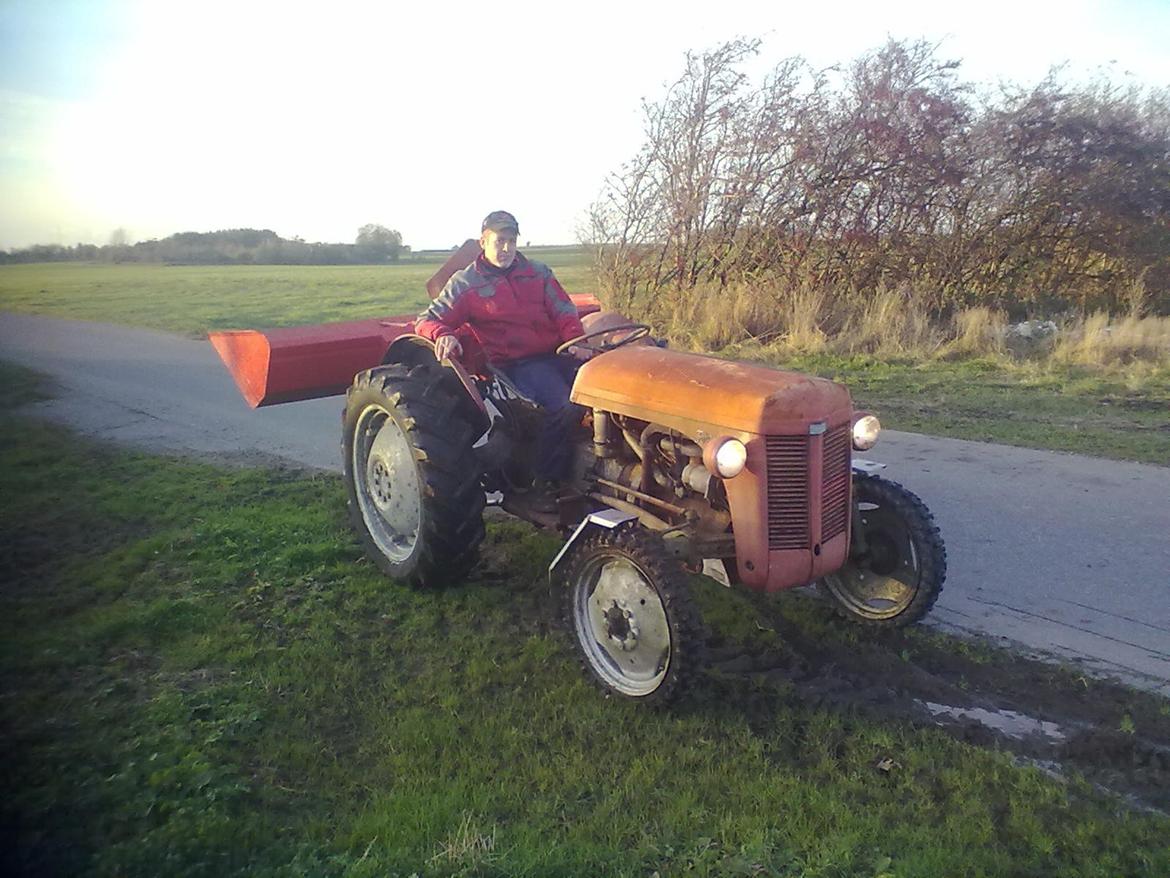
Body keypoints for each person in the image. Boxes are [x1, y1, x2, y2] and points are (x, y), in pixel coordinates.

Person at [414, 210, 586, 507]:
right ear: (484, 241)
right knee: (563, 404)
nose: (506, 248)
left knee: (605, 394)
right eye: (499, 241)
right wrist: (442, 333)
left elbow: (564, 311)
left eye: (511, 241)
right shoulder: (466, 283)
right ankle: (546, 482)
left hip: (556, 353)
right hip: (517, 364)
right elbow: (427, 320)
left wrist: (575, 341)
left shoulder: (538, 273)